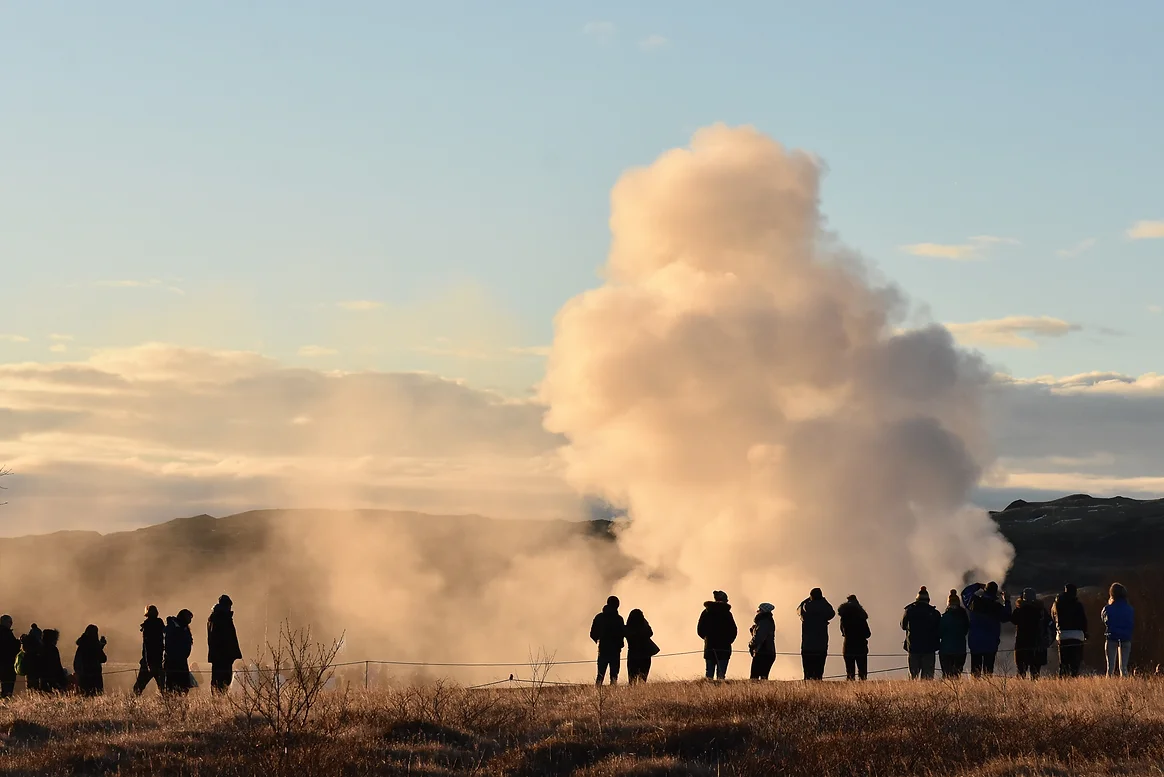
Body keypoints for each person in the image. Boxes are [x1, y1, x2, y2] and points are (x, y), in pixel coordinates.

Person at [966, 582, 1011, 677]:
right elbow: (1007, 616)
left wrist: (978, 585)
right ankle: (987, 688)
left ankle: (975, 688)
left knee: (975, 670)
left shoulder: (974, 602)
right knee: (988, 671)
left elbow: (965, 593)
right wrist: (1007, 601)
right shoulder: (997, 607)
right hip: (991, 642)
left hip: (975, 641)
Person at [901, 587, 942, 680]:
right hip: (929, 649)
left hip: (913, 648)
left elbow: (903, 626)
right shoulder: (934, 613)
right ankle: (926, 694)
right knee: (928, 677)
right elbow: (939, 631)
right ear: (928, 600)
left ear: (917, 599)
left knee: (913, 676)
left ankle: (912, 693)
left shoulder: (909, 611)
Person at [698, 590, 738, 680]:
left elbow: (700, 630)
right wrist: (728, 641)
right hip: (724, 648)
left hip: (709, 647)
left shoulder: (706, 612)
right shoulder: (727, 614)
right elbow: (733, 631)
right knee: (721, 675)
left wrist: (707, 638)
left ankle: (708, 692)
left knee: (709, 675)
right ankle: (720, 692)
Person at [207, 595, 243, 693]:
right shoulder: (222, 618)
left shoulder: (215, 618)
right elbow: (226, 638)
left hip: (220, 656)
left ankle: (218, 696)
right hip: (223, 655)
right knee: (223, 679)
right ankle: (219, 697)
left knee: (220, 679)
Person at [1051, 583, 1088, 677]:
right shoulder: (1078, 605)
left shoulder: (1057, 604)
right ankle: (1073, 680)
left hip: (1063, 635)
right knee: (1075, 663)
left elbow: (1053, 618)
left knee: (1063, 663)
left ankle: (1062, 681)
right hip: (1077, 635)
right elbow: (1083, 620)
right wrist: (1086, 633)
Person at [798, 588, 835, 681]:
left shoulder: (805, 607)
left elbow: (798, 609)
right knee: (818, 672)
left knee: (807, 672)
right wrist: (824, 600)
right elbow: (832, 613)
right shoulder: (824, 608)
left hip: (807, 644)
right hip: (821, 644)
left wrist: (807, 599)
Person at [1011, 588, 1049, 679]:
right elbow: (1047, 623)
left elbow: (1013, 620)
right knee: (1035, 672)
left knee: (1021, 670)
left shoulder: (1020, 610)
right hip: (1037, 643)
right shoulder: (1041, 610)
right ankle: (1035, 690)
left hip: (1022, 643)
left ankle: (1021, 689)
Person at [590, 595, 625, 686]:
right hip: (615, 650)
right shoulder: (618, 619)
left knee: (600, 675)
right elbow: (623, 633)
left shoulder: (599, 617)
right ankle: (612, 694)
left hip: (603, 648)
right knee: (614, 676)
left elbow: (593, 634)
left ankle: (597, 694)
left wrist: (599, 639)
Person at [1102, 583, 1134, 677]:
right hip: (1126, 638)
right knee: (1123, 668)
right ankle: (1125, 687)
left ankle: (1108, 686)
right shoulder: (1130, 609)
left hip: (1112, 637)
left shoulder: (1107, 609)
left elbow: (1105, 620)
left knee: (1110, 667)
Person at [134, 605, 167, 695]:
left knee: (138, 687)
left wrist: (148, 663)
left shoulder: (147, 626)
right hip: (159, 660)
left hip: (148, 661)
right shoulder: (160, 624)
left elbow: (147, 646)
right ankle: (167, 703)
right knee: (163, 687)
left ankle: (132, 703)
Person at [838, 595, 870, 681]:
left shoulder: (844, 617)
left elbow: (842, 631)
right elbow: (867, 633)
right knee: (862, 673)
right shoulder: (861, 617)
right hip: (860, 646)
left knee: (850, 673)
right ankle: (863, 690)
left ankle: (849, 690)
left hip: (848, 645)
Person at [939, 589, 970, 679]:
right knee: (957, 674)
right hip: (960, 649)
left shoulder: (944, 618)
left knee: (946, 674)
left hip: (946, 650)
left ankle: (947, 691)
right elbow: (965, 631)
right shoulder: (963, 617)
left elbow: (939, 633)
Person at [624, 608, 658, 684]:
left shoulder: (628, 628)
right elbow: (650, 633)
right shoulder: (644, 628)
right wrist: (645, 622)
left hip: (633, 655)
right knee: (643, 679)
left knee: (632, 680)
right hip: (645, 655)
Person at [164, 609, 194, 694]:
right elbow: (168, 645)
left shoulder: (183, 628)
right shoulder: (173, 627)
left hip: (182, 661)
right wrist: (176, 656)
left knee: (184, 687)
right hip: (173, 662)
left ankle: (180, 704)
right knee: (172, 687)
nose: (190, 620)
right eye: (189, 617)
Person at [73, 625, 108, 696]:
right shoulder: (94, 644)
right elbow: (103, 658)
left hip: (82, 677)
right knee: (95, 696)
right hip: (94, 677)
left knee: (83, 696)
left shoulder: (82, 644)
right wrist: (101, 646)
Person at [748, 603, 777, 680]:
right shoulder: (766, 621)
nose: (757, 611)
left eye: (759, 609)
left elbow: (759, 638)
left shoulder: (764, 622)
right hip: (767, 652)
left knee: (754, 678)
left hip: (763, 653)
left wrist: (751, 644)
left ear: (763, 611)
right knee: (763, 678)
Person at [20, 624, 44, 693]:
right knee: (36, 685)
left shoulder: (26, 648)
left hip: (28, 669)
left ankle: (31, 696)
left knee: (30, 685)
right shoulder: (38, 647)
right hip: (36, 669)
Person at [0, 615, 19, 699]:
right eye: (10, 622)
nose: (11, 624)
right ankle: (5, 702)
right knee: (7, 688)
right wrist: (18, 642)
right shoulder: (7, 633)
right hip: (7, 664)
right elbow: (13, 648)